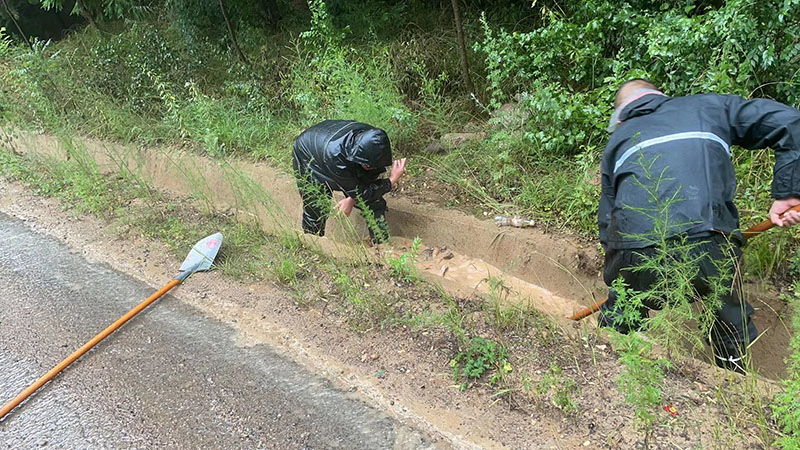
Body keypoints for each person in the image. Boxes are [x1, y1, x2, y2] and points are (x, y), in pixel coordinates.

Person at [598, 78, 800, 372]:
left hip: (634, 251)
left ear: (622, 114)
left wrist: (619, 274)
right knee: (724, 305)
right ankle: (733, 374)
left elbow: (608, 222)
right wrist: (789, 193)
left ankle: (608, 361)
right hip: (710, 241)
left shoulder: (618, 140)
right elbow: (791, 122)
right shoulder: (710, 107)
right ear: (660, 96)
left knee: (622, 306)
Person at [292, 120, 407, 243]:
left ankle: (381, 243)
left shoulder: (374, 141)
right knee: (316, 201)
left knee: (373, 201)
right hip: (308, 152)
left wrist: (352, 198)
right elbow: (361, 192)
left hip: (334, 141)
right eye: (369, 166)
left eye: (375, 166)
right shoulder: (336, 158)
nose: (373, 169)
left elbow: (365, 188)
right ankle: (312, 242)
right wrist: (391, 180)